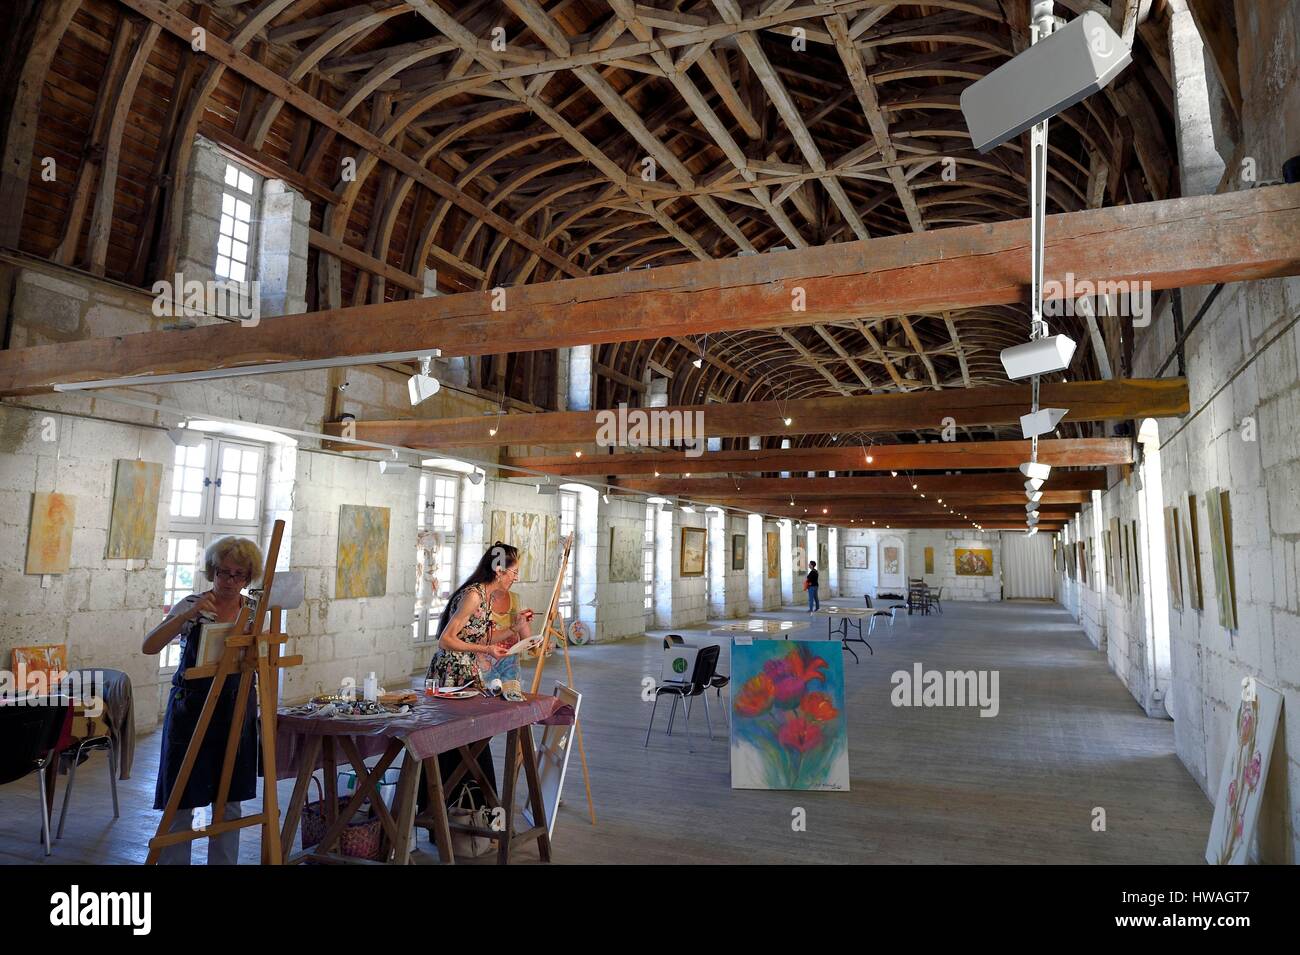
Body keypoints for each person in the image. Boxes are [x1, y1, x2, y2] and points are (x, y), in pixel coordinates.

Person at [142, 536, 263, 865]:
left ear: (248, 578)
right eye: (223, 572)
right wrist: (186, 616)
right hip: (192, 707)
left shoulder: (252, 612)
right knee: (182, 795)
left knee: (231, 797)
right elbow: (149, 646)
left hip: (236, 708)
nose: (229, 582)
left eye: (238, 575)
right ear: (212, 571)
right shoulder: (195, 604)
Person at [423, 543, 535, 811]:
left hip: (467, 674)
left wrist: (514, 629)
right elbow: (446, 640)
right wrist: (486, 649)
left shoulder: (486, 597)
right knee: (456, 740)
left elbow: (478, 636)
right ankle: (450, 809)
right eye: (514, 571)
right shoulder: (473, 596)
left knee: (470, 739)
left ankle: (469, 809)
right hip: (450, 674)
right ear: (499, 570)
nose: (516, 577)